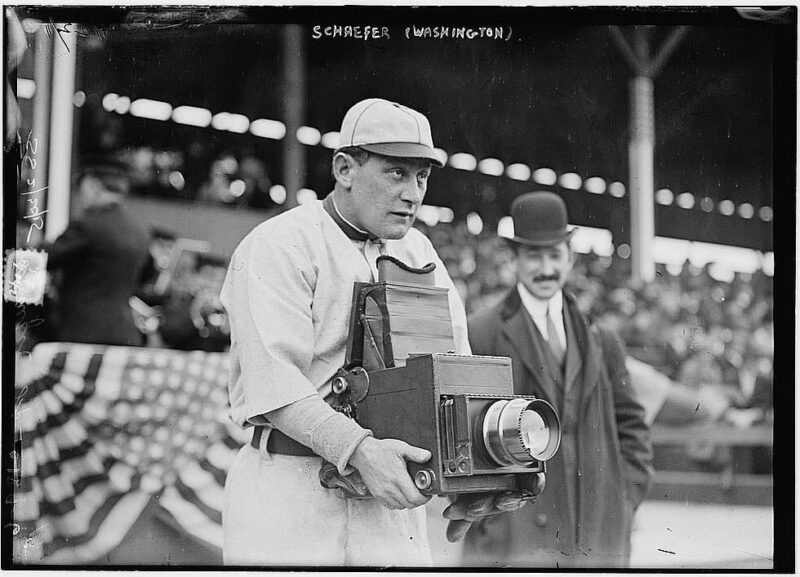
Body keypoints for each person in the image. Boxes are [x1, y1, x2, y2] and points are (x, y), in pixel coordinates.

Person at [219, 98, 540, 567]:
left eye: (422, 176)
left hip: (388, 504)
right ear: (345, 168)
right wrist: (360, 450)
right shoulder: (279, 243)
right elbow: (274, 384)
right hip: (291, 489)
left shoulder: (419, 249)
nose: (414, 193)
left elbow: (456, 377)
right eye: (396, 173)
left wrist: (484, 476)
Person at [462, 191, 654, 568]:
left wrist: (623, 497)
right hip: (516, 539)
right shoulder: (480, 332)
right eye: (534, 255)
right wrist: (492, 518)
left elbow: (633, 427)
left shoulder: (601, 337)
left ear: (570, 258)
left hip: (597, 534)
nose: (546, 267)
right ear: (513, 259)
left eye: (555, 255)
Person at [45, 156, 151, 346]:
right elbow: (147, 275)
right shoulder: (140, 232)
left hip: (84, 333)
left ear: (92, 185)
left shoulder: (89, 225)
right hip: (125, 333)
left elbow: (44, 259)